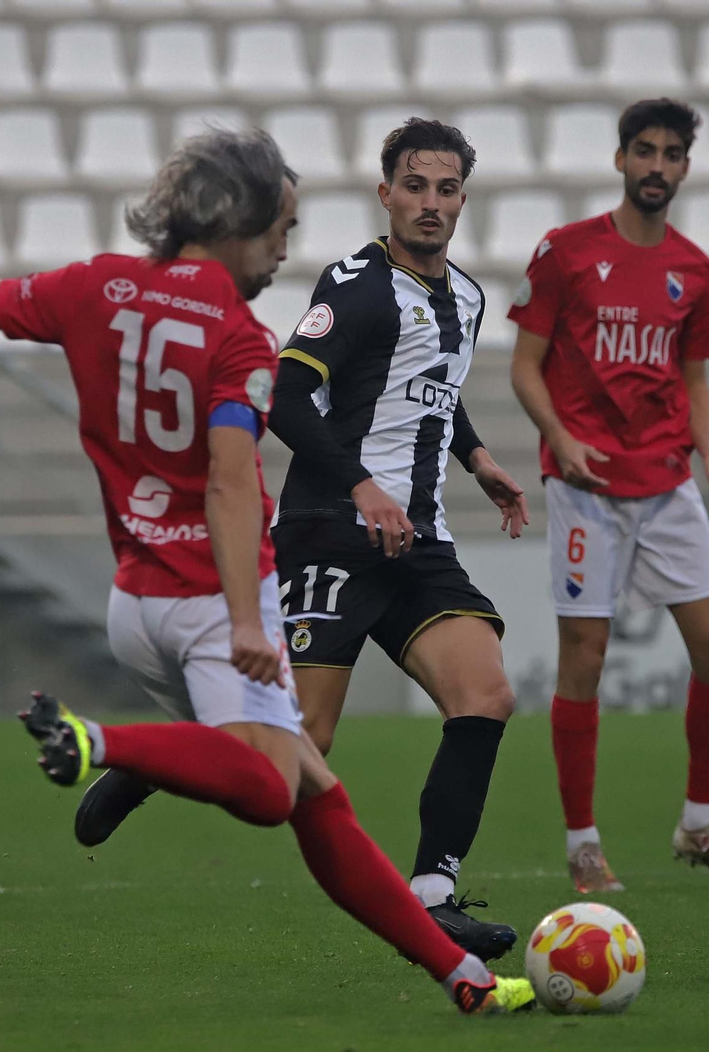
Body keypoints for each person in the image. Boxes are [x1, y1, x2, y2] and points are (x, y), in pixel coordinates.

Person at [0, 131, 533, 1014]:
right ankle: (108, 745)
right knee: (279, 779)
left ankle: (460, 975)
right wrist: (248, 621)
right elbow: (232, 485)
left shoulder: (91, 285)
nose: (286, 250)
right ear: (237, 221)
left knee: (321, 793)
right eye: (279, 228)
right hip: (216, 598)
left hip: (134, 600)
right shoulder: (239, 338)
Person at [268, 117, 530, 959]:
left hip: (416, 541)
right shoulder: (354, 283)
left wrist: (480, 457)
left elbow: (431, 392)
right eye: (413, 186)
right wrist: (360, 487)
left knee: (486, 694)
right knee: (295, 754)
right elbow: (285, 396)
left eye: (445, 188)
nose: (429, 203)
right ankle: (150, 766)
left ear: (462, 198)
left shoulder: (470, 297)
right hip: (331, 533)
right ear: (386, 193)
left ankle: (434, 894)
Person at [507, 98, 709, 893]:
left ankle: (700, 824)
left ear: (686, 167)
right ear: (621, 160)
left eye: (672, 154)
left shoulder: (695, 270)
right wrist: (558, 437)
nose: (658, 166)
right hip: (587, 487)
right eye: (645, 151)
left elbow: (694, 379)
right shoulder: (565, 252)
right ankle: (583, 843)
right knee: (584, 658)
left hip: (666, 482)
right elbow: (525, 366)